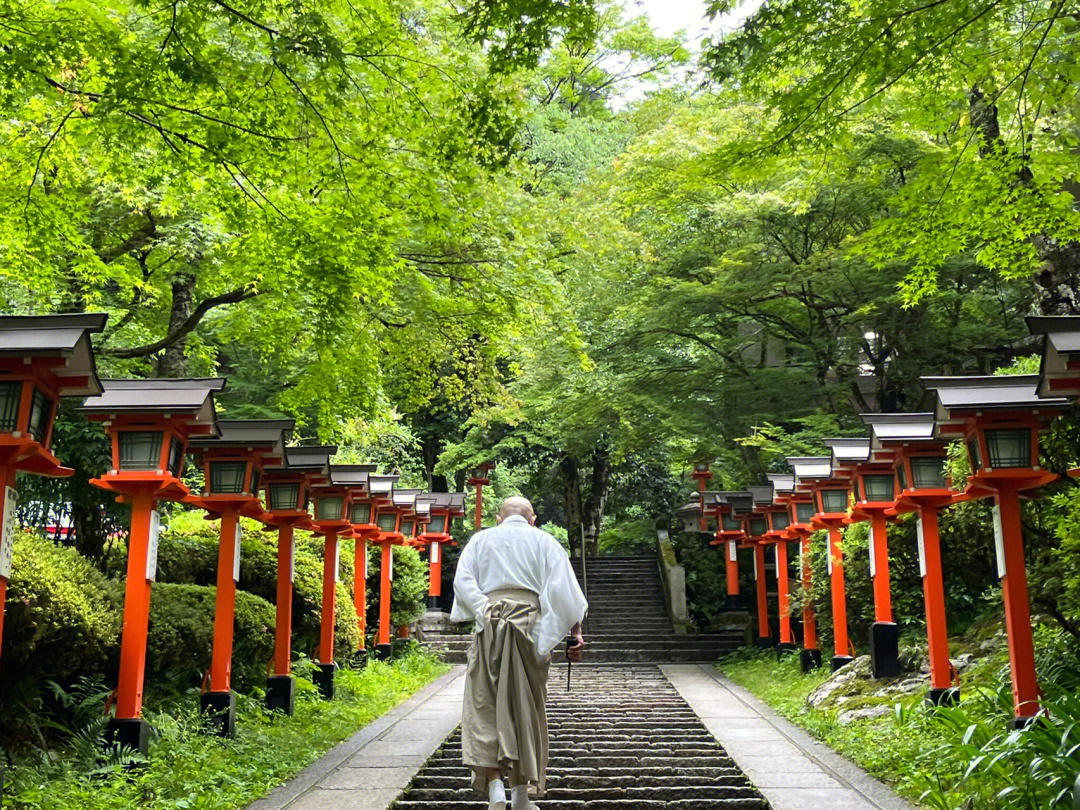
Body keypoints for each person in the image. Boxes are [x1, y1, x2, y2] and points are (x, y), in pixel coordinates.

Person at [451, 495, 587, 810]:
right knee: (526, 707)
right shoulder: (546, 542)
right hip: (532, 629)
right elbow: (565, 591)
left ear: (498, 518)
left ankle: (496, 790)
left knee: (484, 704)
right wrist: (575, 634)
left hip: (491, 626)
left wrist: (485, 609)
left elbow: (463, 581)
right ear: (533, 519)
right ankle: (522, 796)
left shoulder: (480, 540)